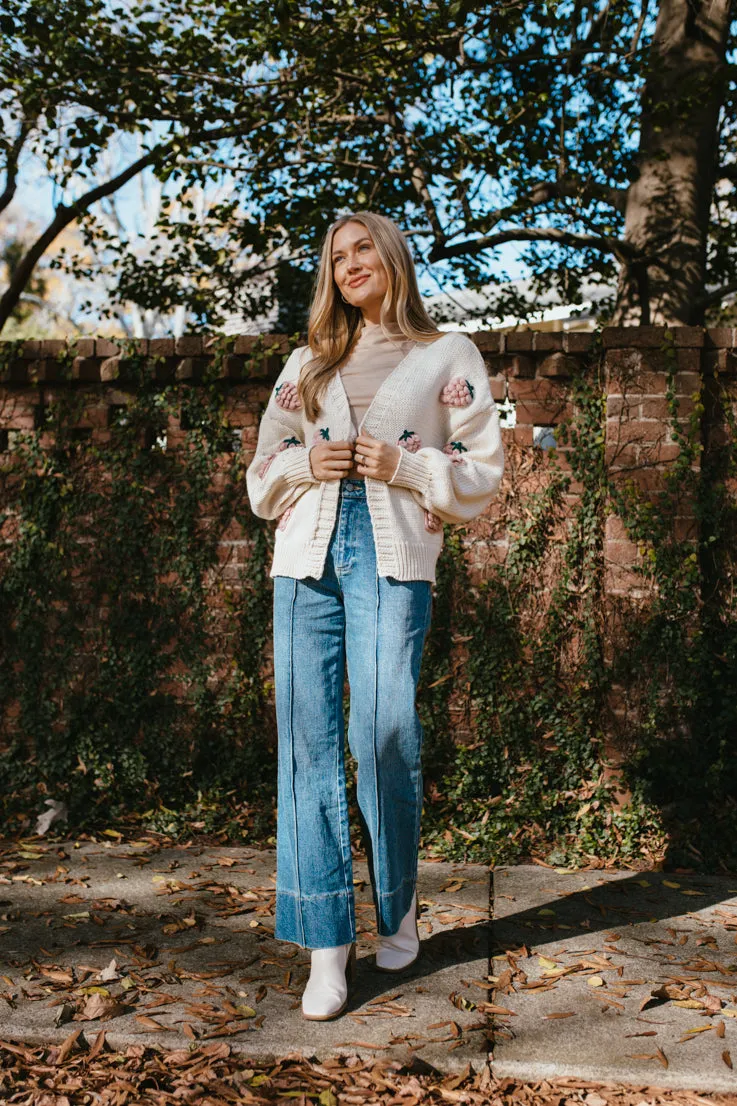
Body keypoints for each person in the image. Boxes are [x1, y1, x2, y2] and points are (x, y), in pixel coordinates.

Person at [245, 211, 504, 1021]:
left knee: (382, 736)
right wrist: (301, 461)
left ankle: (396, 906)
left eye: (362, 249)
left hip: (390, 555)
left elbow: (482, 469)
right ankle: (327, 945)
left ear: (391, 258)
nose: (349, 263)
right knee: (306, 745)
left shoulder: (446, 355)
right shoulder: (306, 362)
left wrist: (406, 464)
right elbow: (261, 472)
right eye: (336, 256)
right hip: (304, 556)